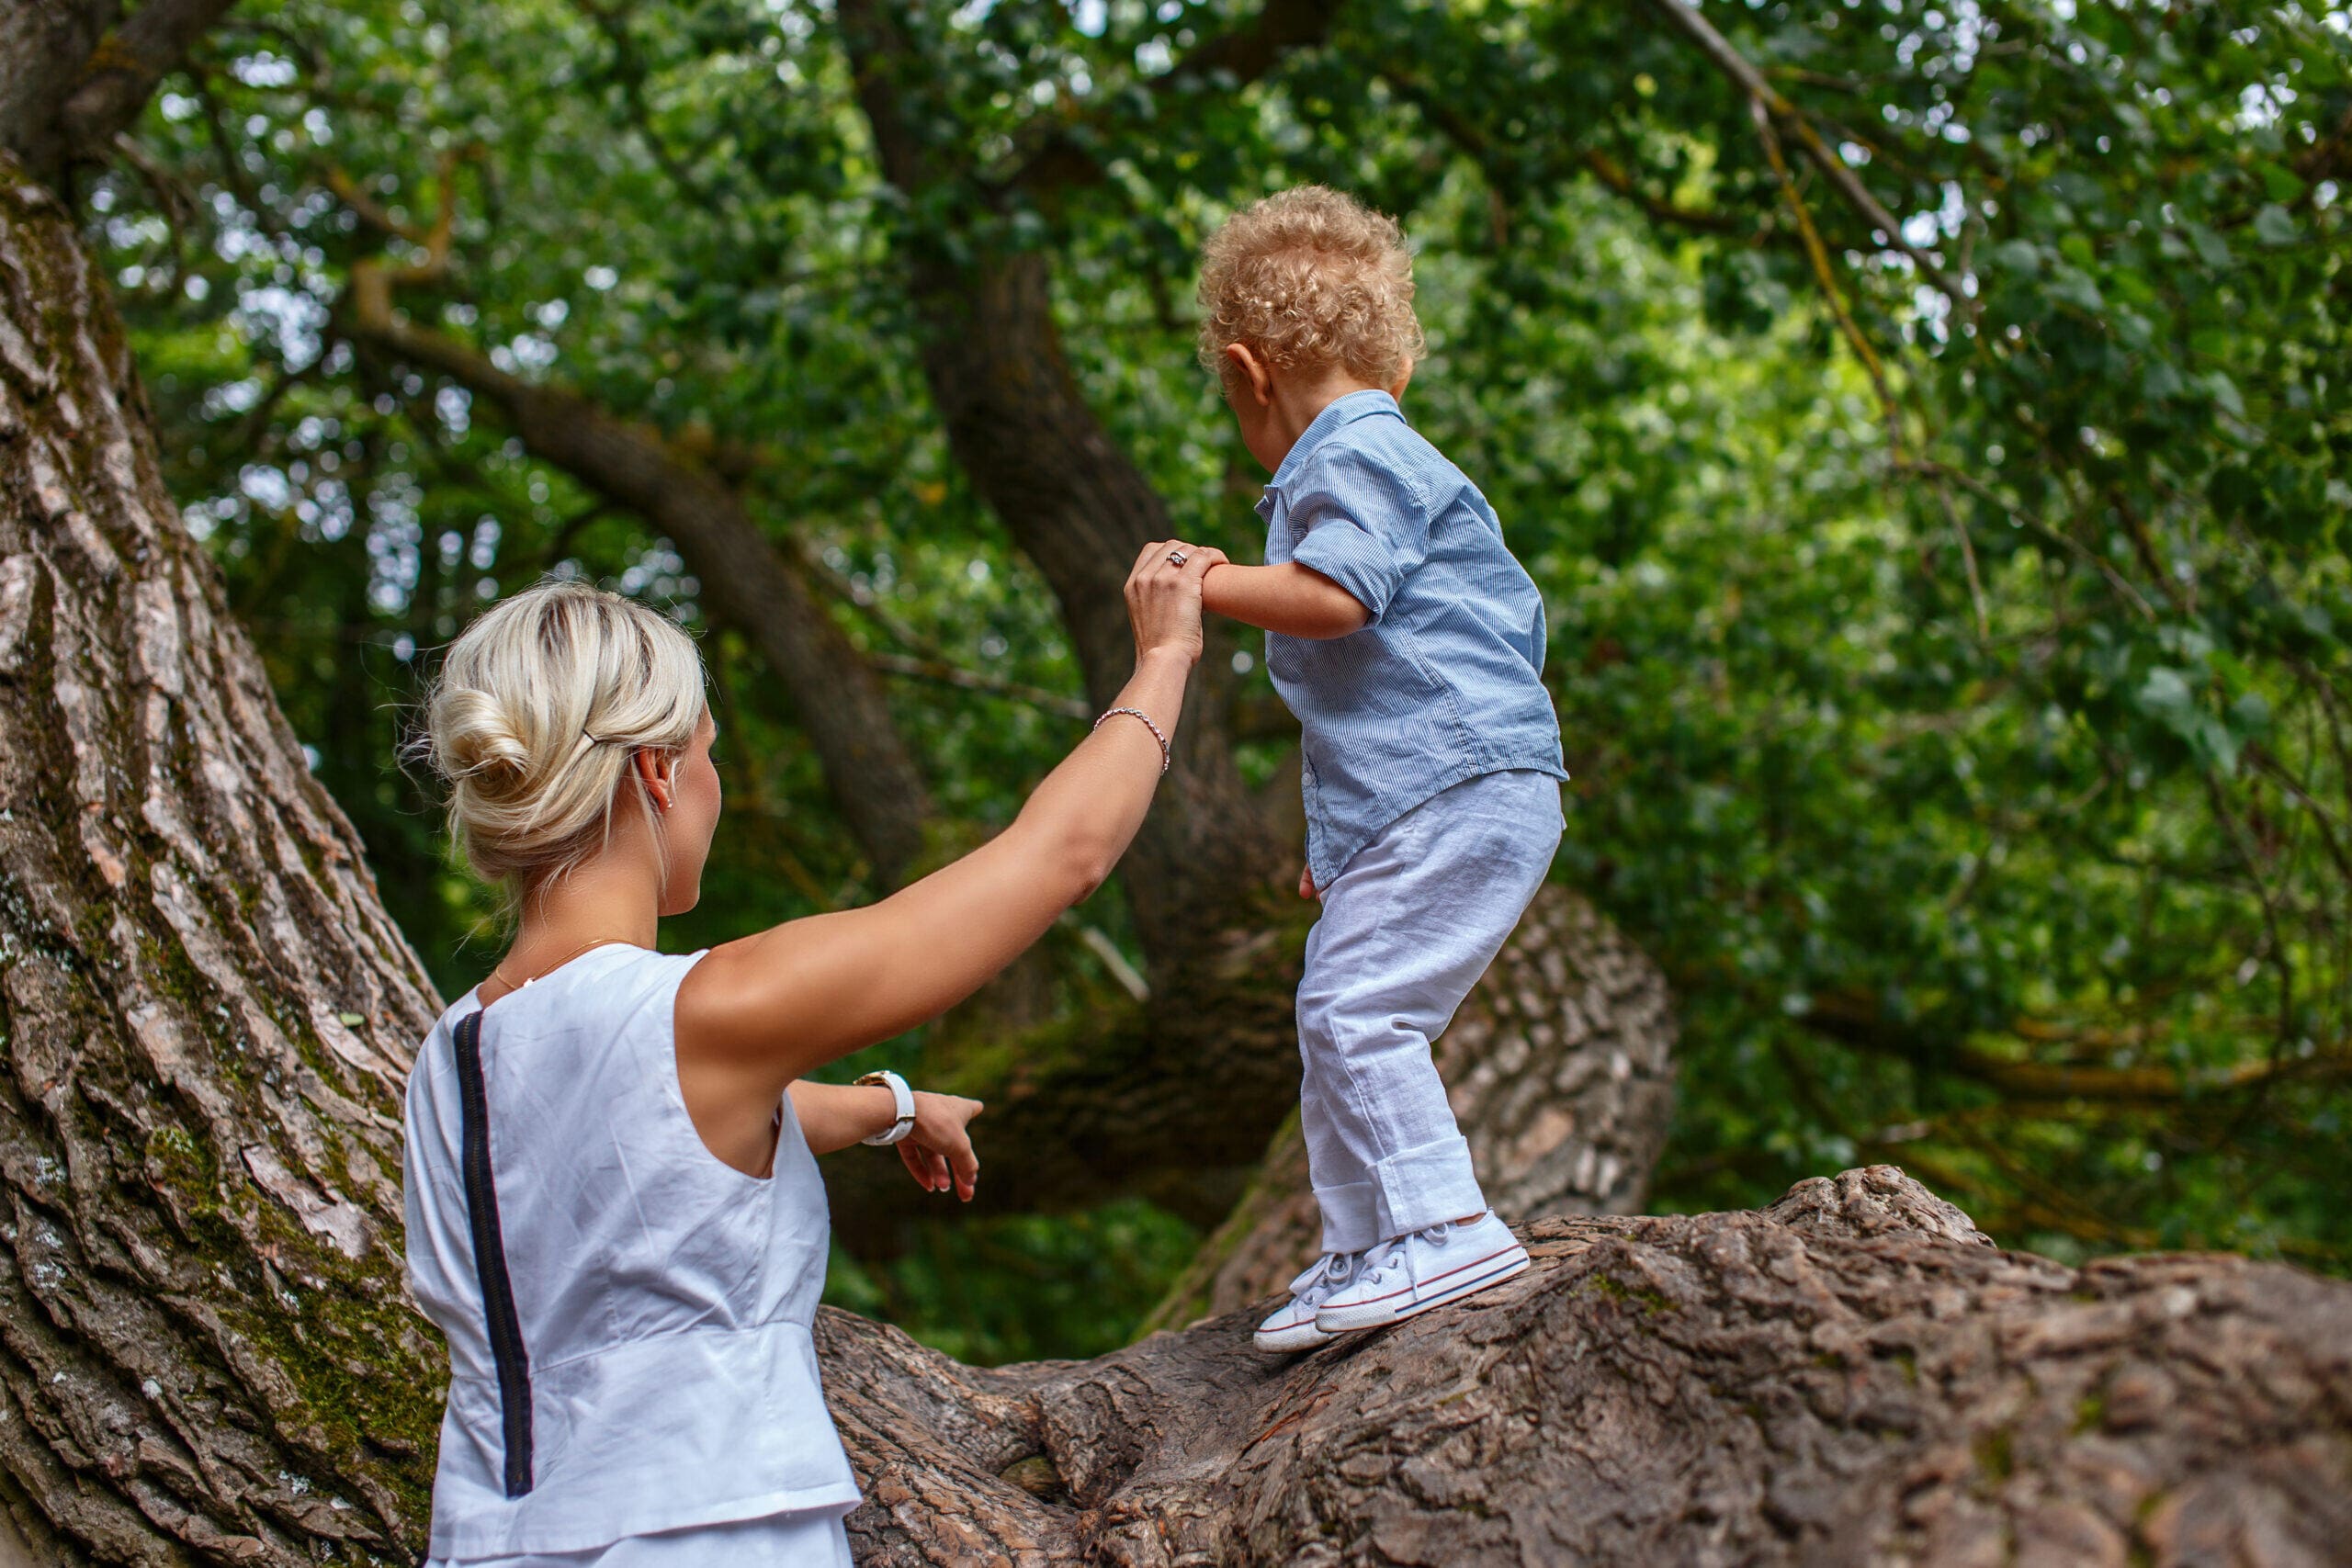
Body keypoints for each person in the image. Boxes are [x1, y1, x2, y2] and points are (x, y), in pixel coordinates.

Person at [401, 546, 1212, 1567]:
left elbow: (651, 1135)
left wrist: (891, 1107)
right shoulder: (707, 1009)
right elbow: (1056, 859)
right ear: (656, 772)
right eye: (707, 753)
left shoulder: (454, 1052)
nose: (715, 785)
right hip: (702, 1530)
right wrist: (1168, 656)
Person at [1172, 186, 1570, 1353]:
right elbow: (1380, 694)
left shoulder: (1356, 452)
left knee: (1359, 1010)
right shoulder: (1376, 445)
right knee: (1333, 1009)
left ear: (1247, 375)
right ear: (1393, 365)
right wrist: (1340, 847)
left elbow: (1339, 602)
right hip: (1437, 792)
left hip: (1466, 782)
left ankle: (1441, 1223)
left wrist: (1201, 578)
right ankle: (1367, 1243)